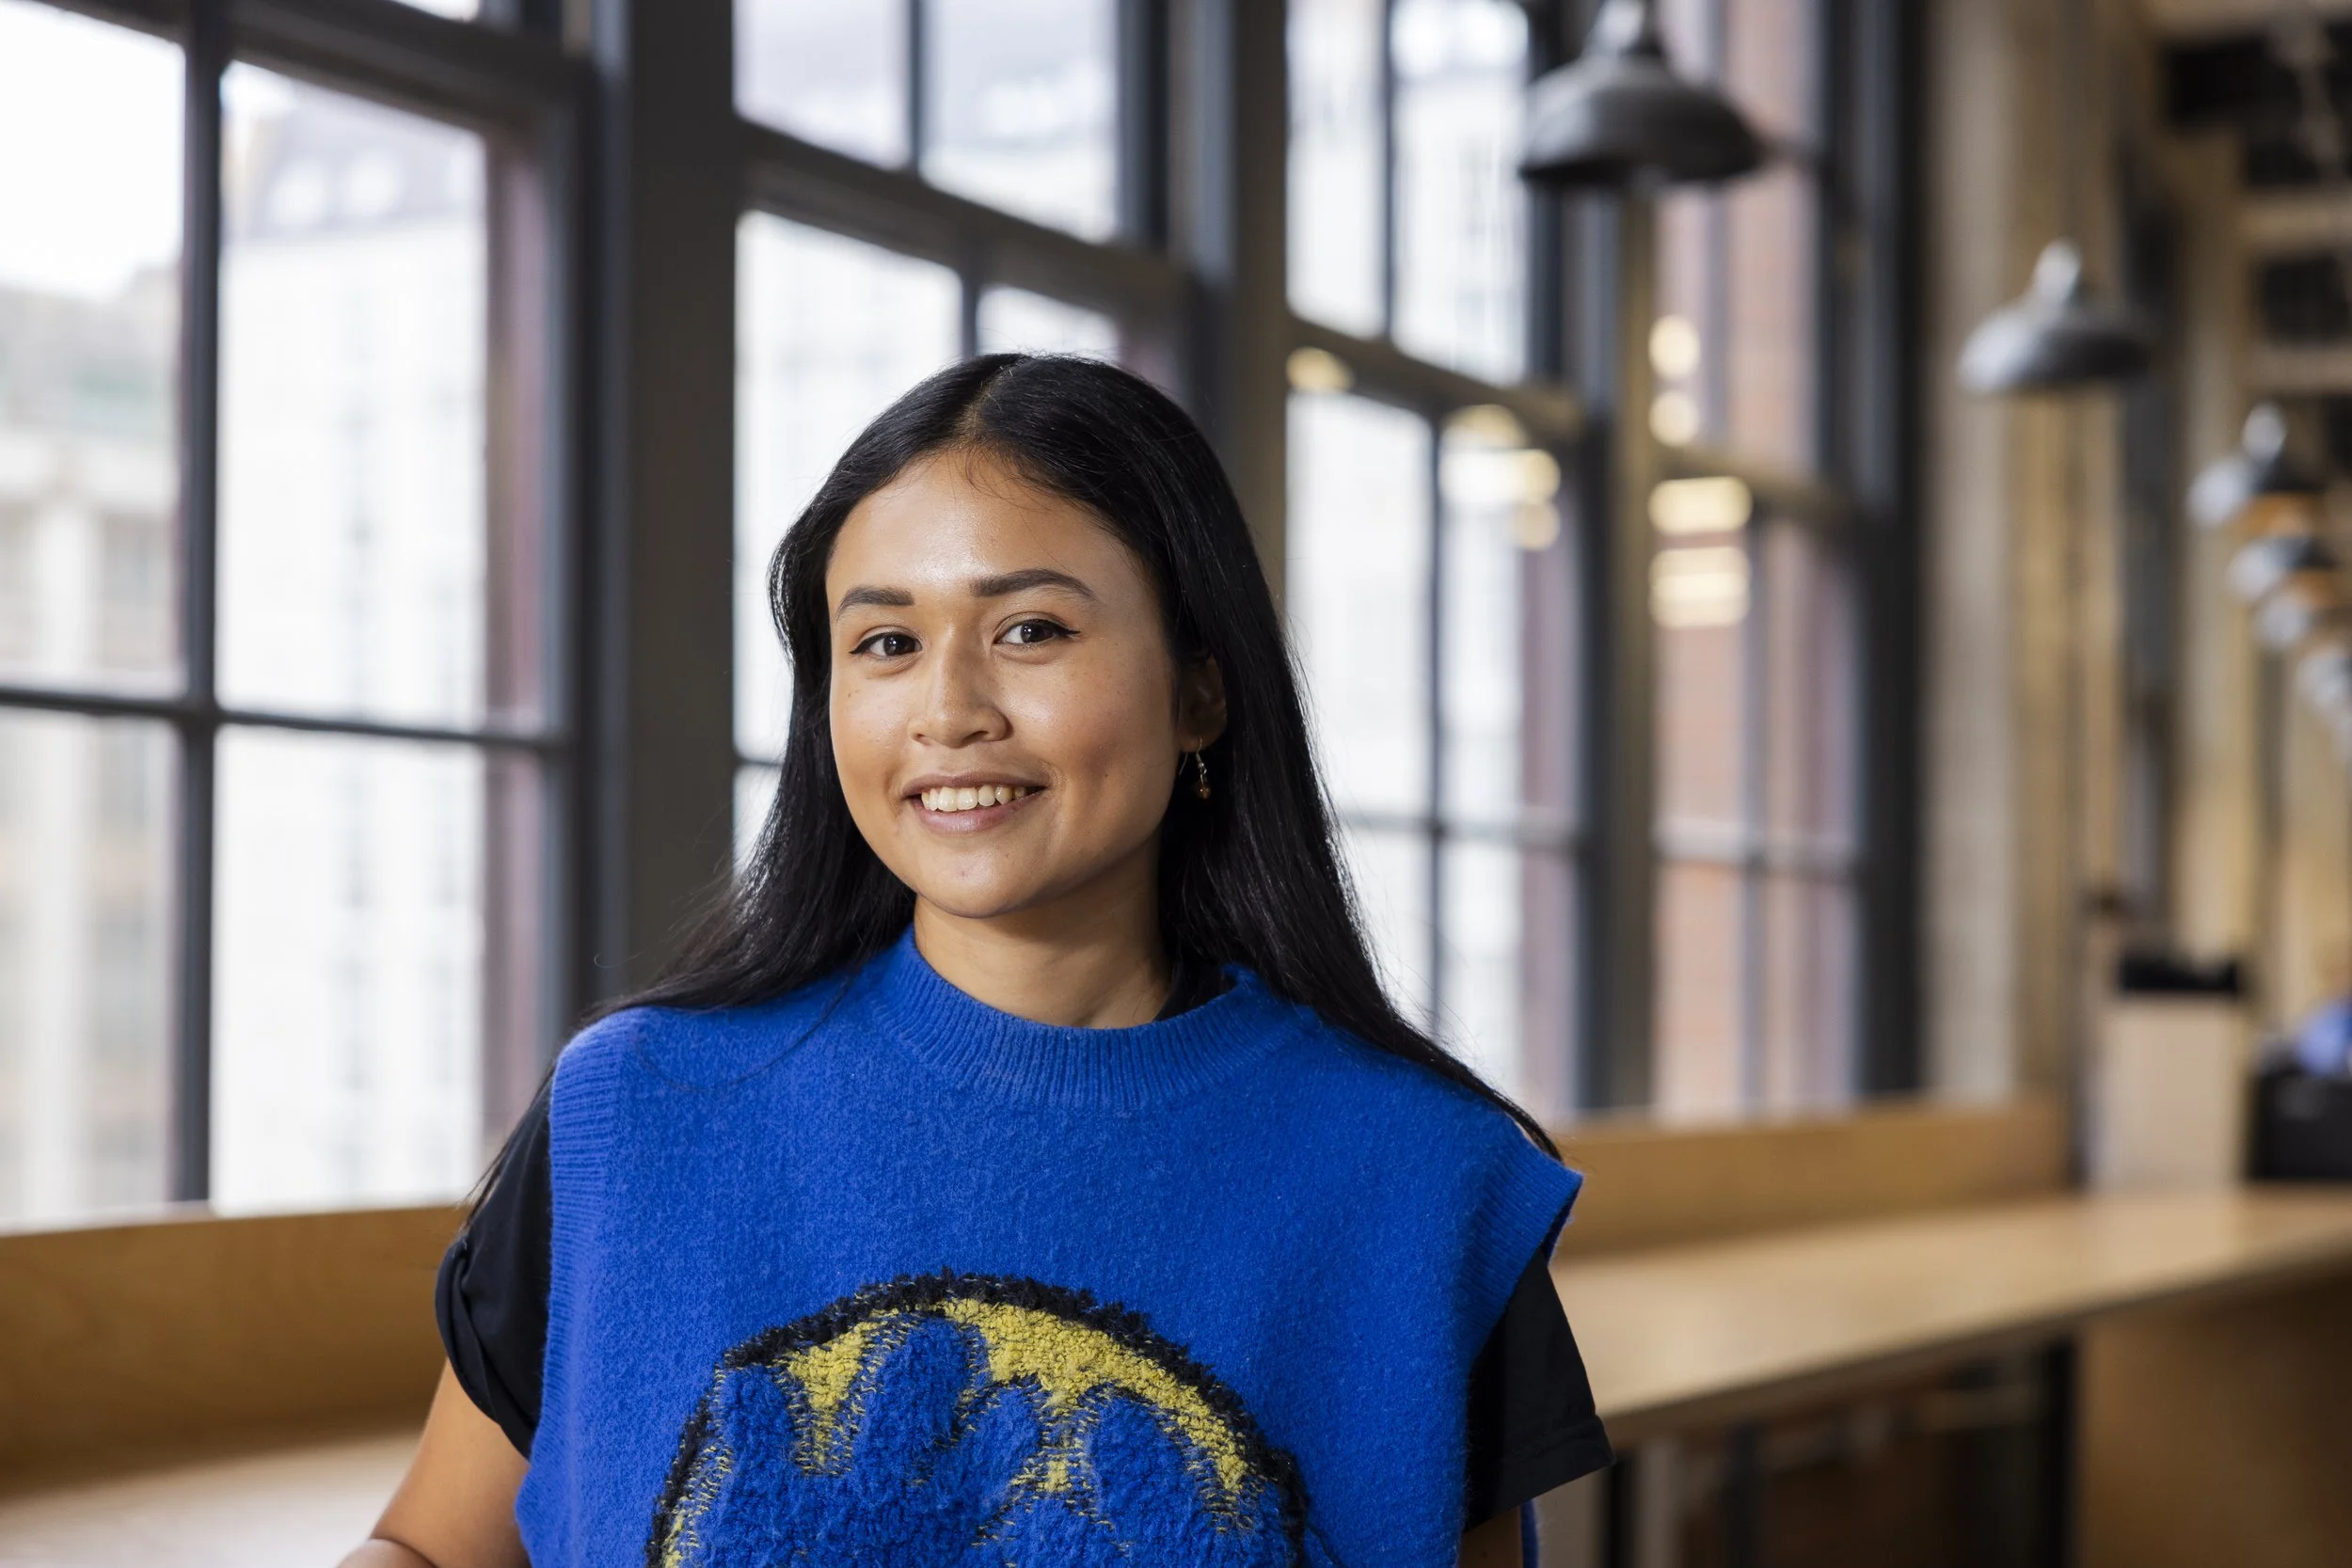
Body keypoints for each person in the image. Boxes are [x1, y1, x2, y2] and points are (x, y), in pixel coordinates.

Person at [341, 355, 1611, 1568]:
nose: (948, 710)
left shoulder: (1427, 1183)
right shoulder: (634, 1113)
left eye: (1031, 629)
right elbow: (432, 1541)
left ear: (1201, 693)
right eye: (885, 643)